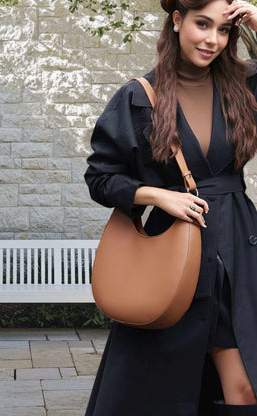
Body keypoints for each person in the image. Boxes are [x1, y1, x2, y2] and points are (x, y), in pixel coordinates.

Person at [84, 0, 257, 415]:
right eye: (202, 24)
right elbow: (100, 177)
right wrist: (157, 195)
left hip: (238, 248)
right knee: (158, 390)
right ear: (177, 21)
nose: (212, 40)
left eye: (223, 30)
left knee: (245, 387)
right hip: (175, 255)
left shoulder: (244, 85)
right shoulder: (138, 97)